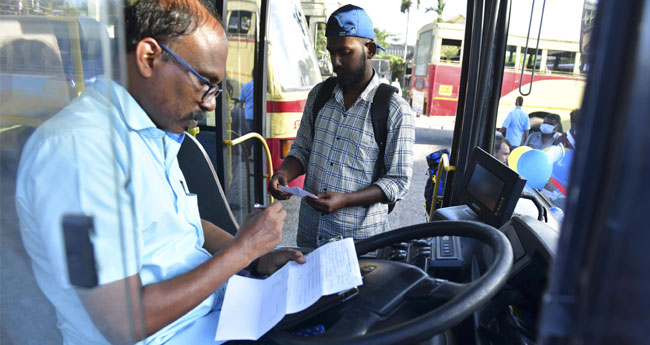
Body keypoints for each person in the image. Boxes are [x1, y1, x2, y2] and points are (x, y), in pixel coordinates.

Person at [14, 1, 305, 344]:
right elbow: (124, 322)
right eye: (204, 83)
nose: (211, 103)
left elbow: (185, 226)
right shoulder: (78, 151)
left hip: (210, 318)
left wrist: (256, 259)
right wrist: (242, 251)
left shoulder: (151, 132)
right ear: (149, 56)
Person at [268, 4, 415, 248]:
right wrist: (283, 174)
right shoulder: (319, 95)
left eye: (345, 52)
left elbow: (398, 181)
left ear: (369, 49)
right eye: (331, 52)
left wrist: (346, 200)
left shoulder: (394, 110)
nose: (336, 61)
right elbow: (302, 150)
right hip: (310, 236)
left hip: (360, 243)